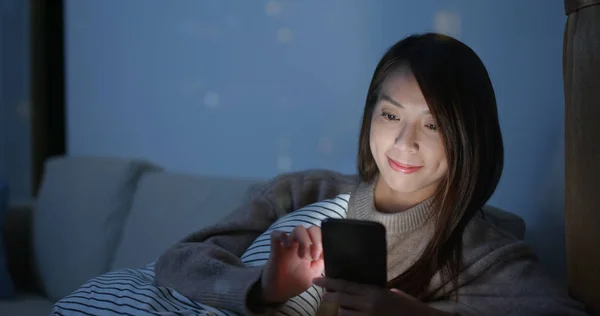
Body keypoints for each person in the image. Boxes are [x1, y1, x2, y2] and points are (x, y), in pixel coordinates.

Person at [155, 33, 587, 315]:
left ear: (468, 138)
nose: (404, 142)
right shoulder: (304, 192)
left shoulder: (482, 251)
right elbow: (179, 261)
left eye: (432, 125)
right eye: (390, 115)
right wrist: (264, 288)